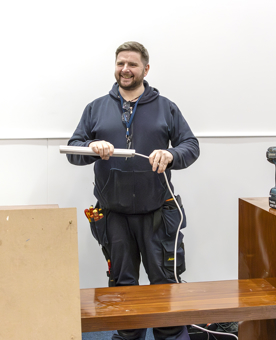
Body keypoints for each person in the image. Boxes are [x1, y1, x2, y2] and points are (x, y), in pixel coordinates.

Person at [67, 41, 199, 340]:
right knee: (122, 287)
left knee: (164, 284)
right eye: (120, 64)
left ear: (145, 69)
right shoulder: (96, 107)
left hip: (157, 211)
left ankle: (171, 335)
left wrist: (171, 155)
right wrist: (90, 147)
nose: (125, 69)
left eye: (132, 64)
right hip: (114, 215)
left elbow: (191, 146)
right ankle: (128, 337)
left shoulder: (166, 107)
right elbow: (73, 150)